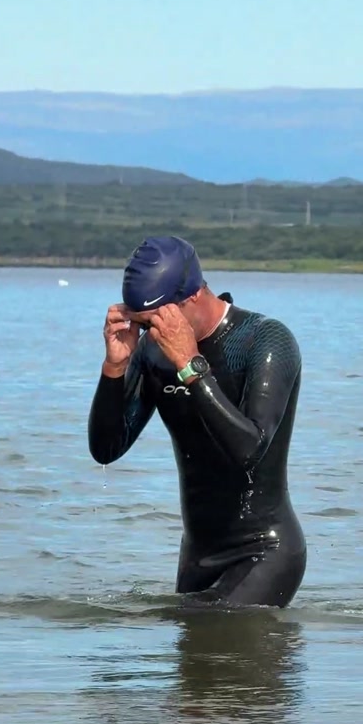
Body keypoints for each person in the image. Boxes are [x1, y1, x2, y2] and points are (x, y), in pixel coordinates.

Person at [88, 235, 306, 608]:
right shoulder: (153, 351)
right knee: (190, 638)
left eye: (155, 319)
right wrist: (115, 367)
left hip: (263, 551)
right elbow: (106, 449)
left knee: (208, 623)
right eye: (141, 322)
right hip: (197, 554)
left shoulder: (265, 340)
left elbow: (249, 450)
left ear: (191, 296)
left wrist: (190, 366)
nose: (152, 331)